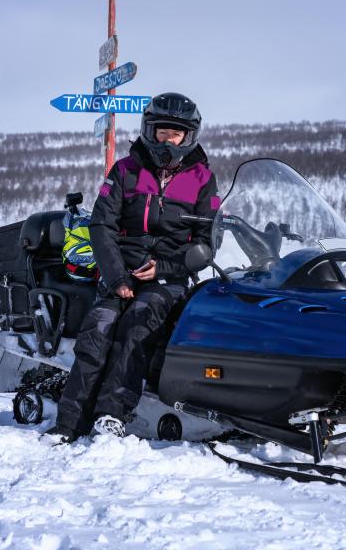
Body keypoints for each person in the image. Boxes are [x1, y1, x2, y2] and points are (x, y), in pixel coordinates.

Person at [50, 92, 219, 440]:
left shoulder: (203, 178)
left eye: (176, 134)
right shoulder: (125, 170)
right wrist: (115, 276)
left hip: (167, 279)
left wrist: (165, 268)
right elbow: (101, 225)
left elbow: (207, 239)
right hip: (119, 272)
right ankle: (68, 422)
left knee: (137, 327)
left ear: (189, 137)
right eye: (162, 132)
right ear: (149, 130)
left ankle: (111, 415)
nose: (168, 140)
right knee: (98, 329)